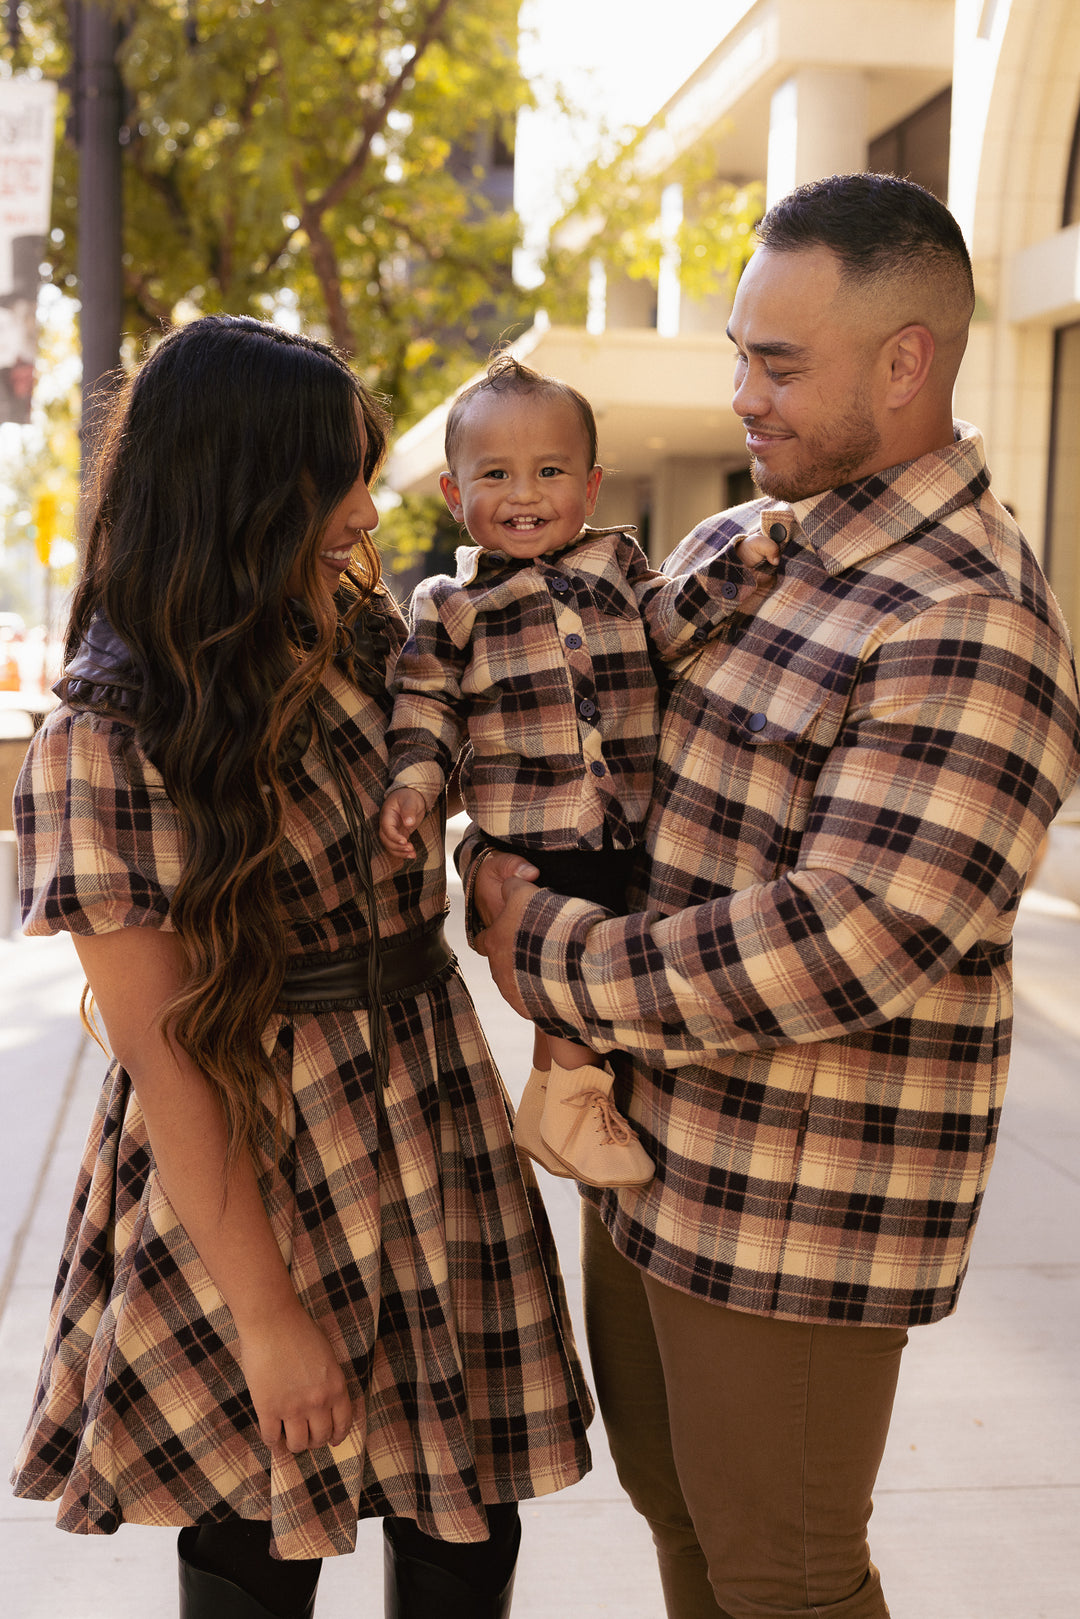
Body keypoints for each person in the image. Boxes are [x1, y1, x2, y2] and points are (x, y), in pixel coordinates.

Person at [468, 174, 1080, 1619]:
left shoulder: (966, 618)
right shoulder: (739, 552)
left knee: (784, 1576)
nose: (742, 392)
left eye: (779, 363)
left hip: (800, 1211)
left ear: (906, 360)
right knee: (679, 1517)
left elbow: (841, 945)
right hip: (648, 1159)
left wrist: (534, 938)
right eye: (739, 352)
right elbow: (570, 740)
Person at [9, 315, 594, 1619]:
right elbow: (161, 1048)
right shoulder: (105, 734)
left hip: (426, 1105)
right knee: (256, 1522)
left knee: (463, 1512)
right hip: (247, 1151)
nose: (361, 508)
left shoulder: (363, 635)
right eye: (337, 475)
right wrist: (264, 1314)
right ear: (245, 485)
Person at [379, 355, 779, 1189]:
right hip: (531, 820)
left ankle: (562, 1095)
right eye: (495, 474)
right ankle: (570, 1098)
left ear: (591, 488)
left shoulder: (618, 570)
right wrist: (414, 784)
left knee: (605, 937)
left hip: (627, 815)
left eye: (549, 471)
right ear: (455, 496)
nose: (524, 494)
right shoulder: (450, 605)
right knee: (560, 945)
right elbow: (424, 707)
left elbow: (670, 624)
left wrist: (734, 573)